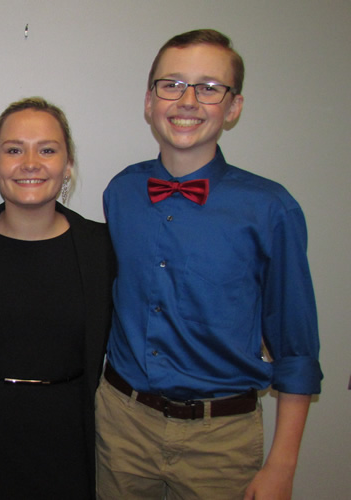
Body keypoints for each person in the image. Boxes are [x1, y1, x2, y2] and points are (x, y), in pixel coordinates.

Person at [97, 29, 322, 500]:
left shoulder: (270, 208)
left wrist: (282, 464)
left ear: (234, 107)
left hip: (220, 439)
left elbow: (296, 347)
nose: (188, 100)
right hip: (122, 425)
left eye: (209, 87)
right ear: (149, 101)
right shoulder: (121, 192)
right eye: (172, 84)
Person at [0, 97, 115, 499]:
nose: (30, 163)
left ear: (68, 165)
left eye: (47, 150)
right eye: (14, 150)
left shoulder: (101, 247)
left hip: (69, 441)